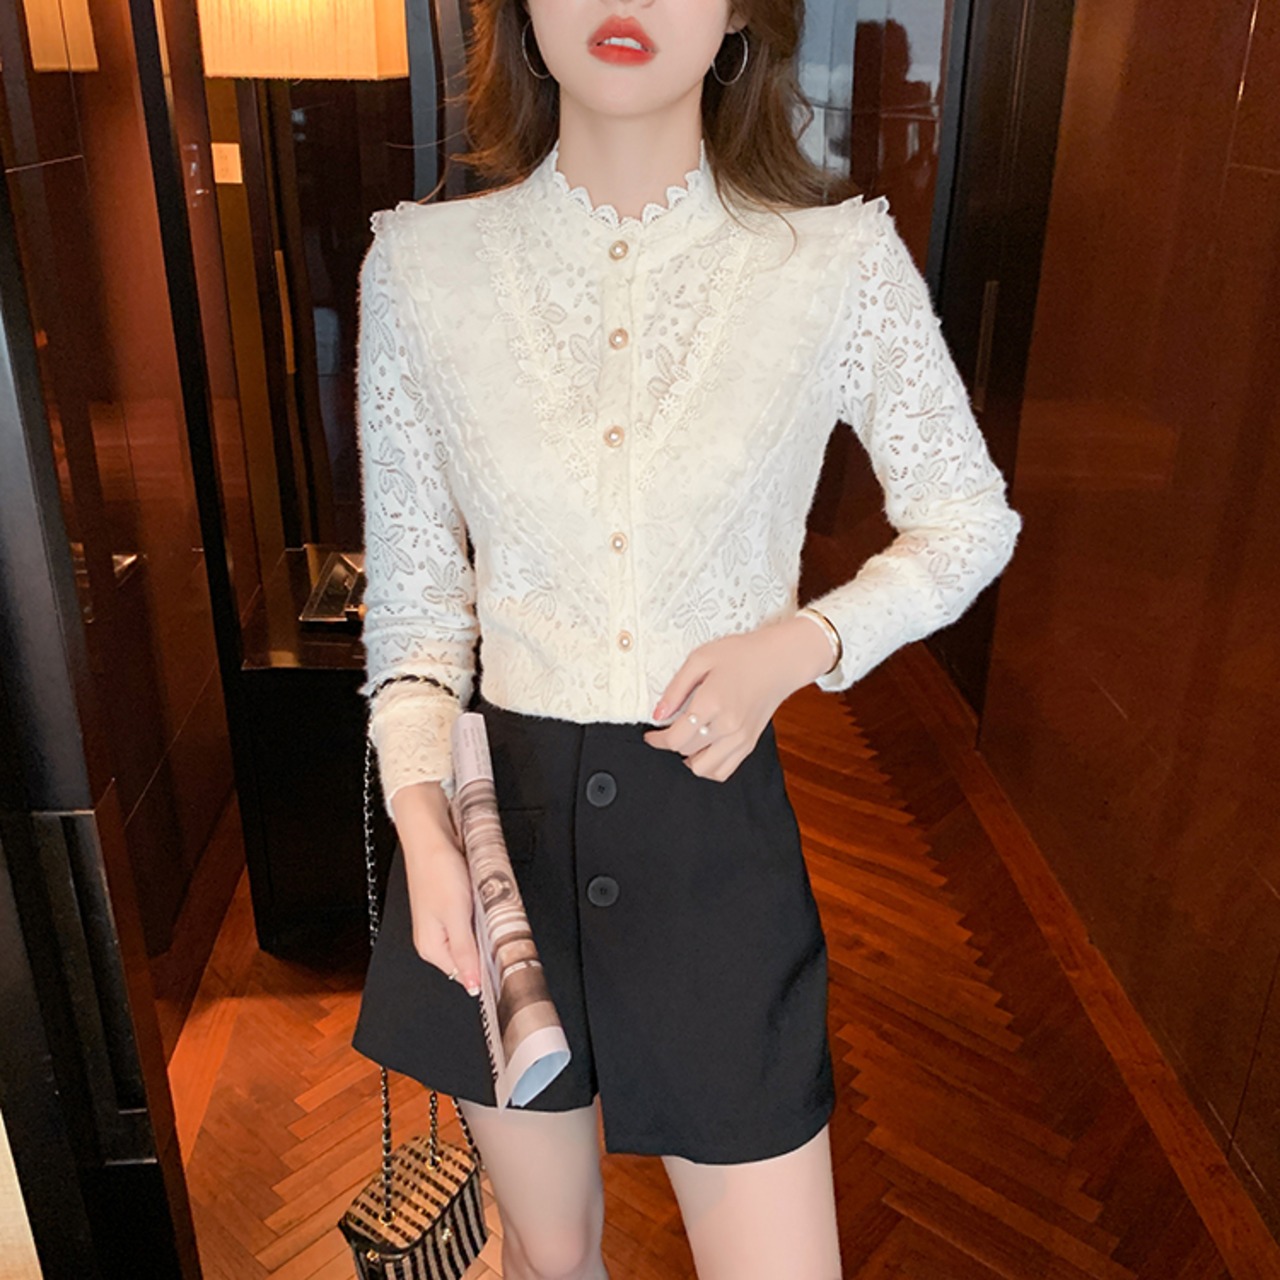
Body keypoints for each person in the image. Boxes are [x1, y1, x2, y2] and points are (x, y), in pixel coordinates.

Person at [350, 1, 1022, 1277]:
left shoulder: (834, 264)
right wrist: (421, 827)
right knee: (550, 1256)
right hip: (499, 845)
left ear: (735, 18)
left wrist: (800, 642)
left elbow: (966, 518)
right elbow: (419, 620)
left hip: (713, 839)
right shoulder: (421, 272)